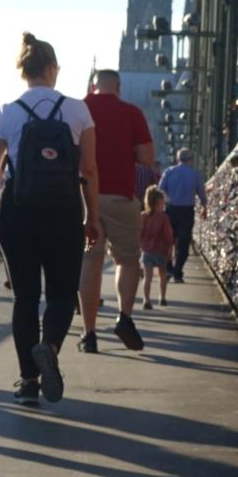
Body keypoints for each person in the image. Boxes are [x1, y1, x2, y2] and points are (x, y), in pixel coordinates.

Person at [0, 33, 99, 406]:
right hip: (64, 211)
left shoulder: (8, 112)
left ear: (23, 71)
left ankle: (29, 380)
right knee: (63, 293)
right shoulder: (78, 110)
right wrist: (92, 217)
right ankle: (49, 347)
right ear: (52, 69)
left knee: (25, 296)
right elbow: (89, 170)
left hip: (17, 212)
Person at [77, 69, 154, 353]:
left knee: (90, 262)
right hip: (121, 197)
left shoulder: (79, 108)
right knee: (128, 260)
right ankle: (124, 317)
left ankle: (89, 333)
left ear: (92, 85)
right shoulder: (131, 112)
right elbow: (147, 158)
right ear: (118, 87)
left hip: (85, 196)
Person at [159, 147, 207, 285]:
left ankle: (168, 268)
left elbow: (160, 189)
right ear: (191, 159)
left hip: (171, 209)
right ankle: (178, 271)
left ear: (178, 158)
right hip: (187, 211)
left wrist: (166, 201)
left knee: (168, 240)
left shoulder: (169, 171)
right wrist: (204, 207)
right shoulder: (195, 174)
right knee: (184, 242)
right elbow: (202, 194)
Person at [138, 185, 174, 310]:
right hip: (161, 251)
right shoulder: (163, 217)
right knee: (162, 275)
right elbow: (168, 234)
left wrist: (140, 246)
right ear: (159, 203)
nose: (163, 206)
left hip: (147, 251)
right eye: (162, 204)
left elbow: (139, 233)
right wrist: (170, 249)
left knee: (147, 277)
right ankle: (162, 298)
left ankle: (146, 300)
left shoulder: (143, 216)